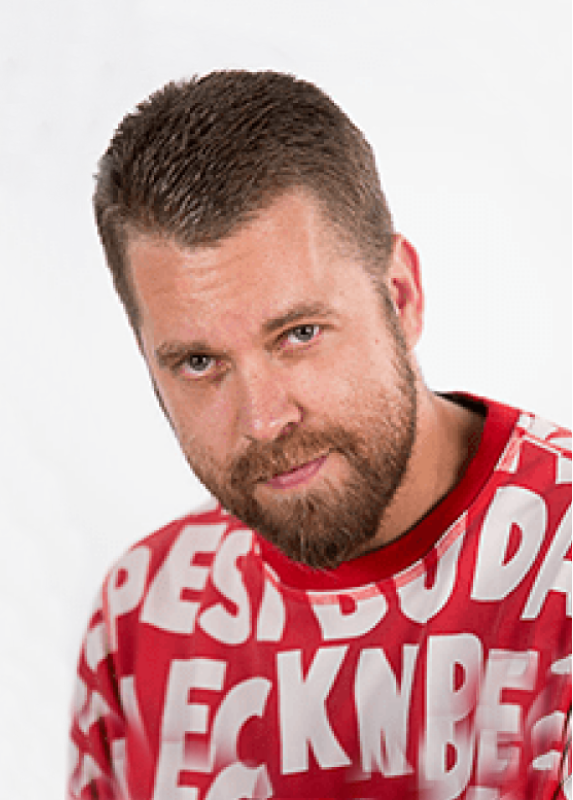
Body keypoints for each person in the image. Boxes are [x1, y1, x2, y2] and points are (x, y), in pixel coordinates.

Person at [68, 71, 572, 800]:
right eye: (200, 363)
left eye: (299, 334)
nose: (263, 419)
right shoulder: (144, 614)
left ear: (400, 298)